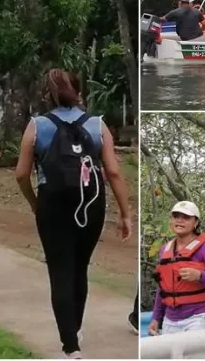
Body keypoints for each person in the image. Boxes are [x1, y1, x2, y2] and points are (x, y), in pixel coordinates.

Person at [15, 68, 133, 359]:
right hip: (91, 204)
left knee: (60, 271)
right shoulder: (97, 125)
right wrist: (125, 213)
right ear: (79, 93)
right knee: (80, 268)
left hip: (52, 205)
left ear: (48, 97)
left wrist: (34, 202)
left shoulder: (37, 126)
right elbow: (114, 173)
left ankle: (71, 346)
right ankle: (75, 328)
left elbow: (20, 174)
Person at [148, 201, 205, 336]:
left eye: (186, 217)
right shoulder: (165, 249)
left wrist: (200, 276)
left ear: (196, 222)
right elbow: (162, 287)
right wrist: (156, 317)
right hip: (171, 319)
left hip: (201, 314)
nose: (180, 221)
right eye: (176, 216)